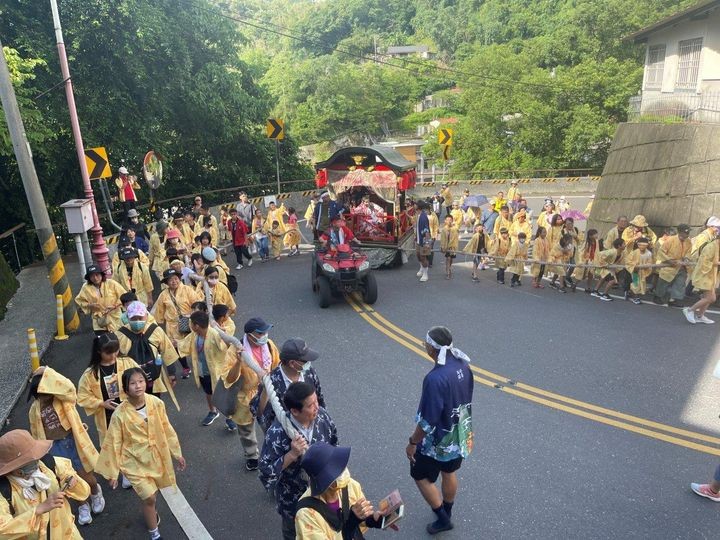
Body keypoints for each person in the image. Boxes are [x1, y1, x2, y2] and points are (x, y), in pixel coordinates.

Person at [95, 368, 185, 540]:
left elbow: (167, 428)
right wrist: (112, 472)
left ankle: (150, 511)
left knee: (153, 495)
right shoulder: (119, 414)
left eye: (141, 381)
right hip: (133, 461)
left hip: (155, 457)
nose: (138, 386)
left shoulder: (156, 403)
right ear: (125, 388)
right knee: (149, 497)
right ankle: (154, 534)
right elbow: (113, 442)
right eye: (133, 383)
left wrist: (177, 453)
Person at [406, 326, 473, 535]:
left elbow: (427, 421)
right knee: (449, 471)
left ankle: (443, 519)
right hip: (459, 433)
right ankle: (447, 510)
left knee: (418, 474)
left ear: (431, 349)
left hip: (440, 439)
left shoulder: (435, 378)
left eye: (425, 344)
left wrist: (413, 442)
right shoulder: (463, 365)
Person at [259, 382, 338, 540]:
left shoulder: (322, 416)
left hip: (324, 495)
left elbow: (334, 444)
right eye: (311, 405)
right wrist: (291, 455)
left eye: (316, 401)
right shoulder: (277, 433)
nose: (317, 407)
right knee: (294, 534)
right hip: (294, 501)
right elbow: (266, 472)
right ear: (294, 411)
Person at [28, 367, 104, 526]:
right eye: (40, 395)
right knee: (67, 479)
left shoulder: (63, 398)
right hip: (53, 447)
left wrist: (46, 371)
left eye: (45, 392)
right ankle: (82, 504)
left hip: (72, 440)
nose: (43, 397)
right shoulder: (34, 409)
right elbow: (36, 433)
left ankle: (95, 491)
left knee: (84, 473)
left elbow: (68, 386)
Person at [0, 429, 90, 538]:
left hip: (67, 533)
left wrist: (73, 483)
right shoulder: (4, 491)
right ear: (15, 470)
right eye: (28, 460)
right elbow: (3, 531)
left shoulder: (50, 464)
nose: (36, 461)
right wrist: (38, 510)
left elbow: (84, 491)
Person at [296, 442, 386, 539]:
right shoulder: (306, 514)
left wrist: (372, 520)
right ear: (324, 481)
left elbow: (360, 519)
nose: (344, 471)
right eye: (337, 470)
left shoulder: (351, 485)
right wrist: (350, 524)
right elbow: (352, 522)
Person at [78, 332, 140, 446]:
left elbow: (140, 380)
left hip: (130, 409)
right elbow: (83, 396)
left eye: (116, 351)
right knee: (112, 446)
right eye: (108, 353)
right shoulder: (90, 374)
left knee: (134, 442)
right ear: (99, 352)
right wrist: (101, 403)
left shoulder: (127, 362)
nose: (113, 356)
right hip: (107, 415)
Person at [252, 338, 324, 433]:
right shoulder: (272, 381)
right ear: (292, 363)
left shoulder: (309, 372)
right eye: (305, 361)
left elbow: (319, 397)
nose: (308, 363)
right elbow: (259, 412)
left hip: (311, 427)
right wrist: (265, 391)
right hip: (288, 433)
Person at [178, 311, 231, 428]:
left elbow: (226, 348)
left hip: (217, 371)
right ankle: (213, 411)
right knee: (208, 392)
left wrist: (226, 338)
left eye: (191, 323)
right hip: (202, 370)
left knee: (222, 394)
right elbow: (185, 344)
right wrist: (174, 344)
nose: (190, 326)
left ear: (196, 325)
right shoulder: (194, 335)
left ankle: (229, 417)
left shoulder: (215, 334)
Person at [116, 301, 179, 397]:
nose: (137, 321)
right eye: (133, 318)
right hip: (130, 382)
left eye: (140, 318)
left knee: (153, 405)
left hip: (153, 378)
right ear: (128, 318)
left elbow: (167, 352)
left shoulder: (156, 331)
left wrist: (172, 373)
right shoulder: (120, 335)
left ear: (146, 316)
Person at [154, 268, 202, 379]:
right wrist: (158, 325)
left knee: (197, 345)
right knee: (176, 346)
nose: (174, 281)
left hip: (190, 321)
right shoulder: (163, 295)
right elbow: (160, 312)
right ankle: (185, 367)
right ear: (166, 283)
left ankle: (200, 368)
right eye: (170, 280)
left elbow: (197, 304)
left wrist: (195, 317)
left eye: (176, 278)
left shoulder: (187, 290)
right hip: (172, 325)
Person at [684, 217, 720, 324]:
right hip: (704, 274)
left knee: (708, 297)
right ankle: (689, 310)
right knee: (711, 298)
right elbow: (703, 261)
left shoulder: (716, 243)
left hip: (711, 274)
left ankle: (700, 315)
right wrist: (717, 263)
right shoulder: (711, 244)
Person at [75, 264, 126, 334]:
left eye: (97, 275)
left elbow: (124, 296)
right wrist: (89, 305)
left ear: (102, 275)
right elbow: (80, 301)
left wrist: (115, 305)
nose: (95, 278)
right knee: (103, 341)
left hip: (115, 317)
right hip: (99, 319)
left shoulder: (111, 283)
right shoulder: (85, 288)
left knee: (120, 339)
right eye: (92, 276)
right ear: (89, 278)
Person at [655, 224, 692, 306]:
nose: (686, 235)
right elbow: (661, 251)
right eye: (685, 233)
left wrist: (686, 258)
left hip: (681, 265)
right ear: (680, 232)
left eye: (687, 233)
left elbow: (689, 252)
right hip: (669, 264)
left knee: (680, 283)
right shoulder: (670, 240)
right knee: (664, 282)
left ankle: (674, 299)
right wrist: (669, 260)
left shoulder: (688, 241)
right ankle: (658, 296)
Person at [624, 237, 653, 305]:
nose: (642, 247)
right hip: (635, 271)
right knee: (636, 284)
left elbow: (650, 262)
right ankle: (635, 298)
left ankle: (632, 294)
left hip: (643, 271)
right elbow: (628, 261)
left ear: (647, 245)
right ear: (638, 245)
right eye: (640, 245)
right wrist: (635, 266)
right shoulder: (634, 252)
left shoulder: (649, 253)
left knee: (642, 284)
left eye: (644, 245)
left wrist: (646, 266)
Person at [572, 229, 600, 295]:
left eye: (596, 234)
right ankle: (574, 285)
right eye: (595, 234)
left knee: (590, 275)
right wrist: (583, 260)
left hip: (592, 260)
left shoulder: (596, 241)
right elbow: (582, 252)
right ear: (590, 236)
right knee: (581, 275)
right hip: (586, 261)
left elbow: (597, 251)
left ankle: (588, 288)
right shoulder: (587, 243)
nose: (596, 235)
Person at [414, 201, 432, 283]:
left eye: (415, 204)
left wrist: (427, 243)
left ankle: (425, 274)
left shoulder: (423, 217)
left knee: (423, 257)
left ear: (418, 206)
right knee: (418, 255)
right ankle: (421, 268)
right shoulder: (418, 215)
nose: (413, 205)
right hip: (418, 239)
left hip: (423, 241)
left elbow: (426, 230)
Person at [440, 215, 459, 280]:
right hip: (446, 247)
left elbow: (456, 237)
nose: (449, 221)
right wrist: (442, 247)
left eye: (450, 220)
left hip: (452, 247)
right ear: (445, 221)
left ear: (452, 221)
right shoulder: (444, 229)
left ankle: (449, 267)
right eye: (447, 220)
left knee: (451, 260)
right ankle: (448, 273)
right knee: (448, 259)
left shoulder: (454, 228)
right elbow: (442, 239)